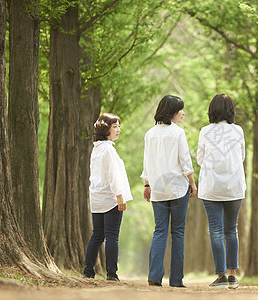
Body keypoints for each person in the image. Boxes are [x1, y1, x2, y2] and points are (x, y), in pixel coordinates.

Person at [141, 95, 197, 288]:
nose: (183, 113)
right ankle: (176, 280)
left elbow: (146, 162)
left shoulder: (150, 133)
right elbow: (185, 161)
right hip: (177, 188)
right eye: (180, 109)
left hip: (157, 188)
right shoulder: (178, 133)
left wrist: (147, 184)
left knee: (159, 231)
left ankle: (154, 276)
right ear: (172, 112)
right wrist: (192, 181)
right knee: (178, 232)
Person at [197, 94, 246, 289]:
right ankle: (233, 275)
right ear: (231, 111)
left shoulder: (205, 131)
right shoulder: (238, 131)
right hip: (234, 186)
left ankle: (221, 276)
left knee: (215, 231)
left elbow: (200, 159)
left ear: (212, 110)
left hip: (211, 187)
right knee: (231, 229)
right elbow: (241, 156)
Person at [84, 113, 133, 282]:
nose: (118, 130)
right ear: (106, 130)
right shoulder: (109, 150)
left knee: (97, 235)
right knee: (112, 236)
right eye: (115, 127)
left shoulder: (96, 149)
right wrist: (120, 196)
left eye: (119, 126)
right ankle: (112, 273)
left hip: (97, 197)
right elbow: (113, 176)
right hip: (111, 198)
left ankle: (88, 271)